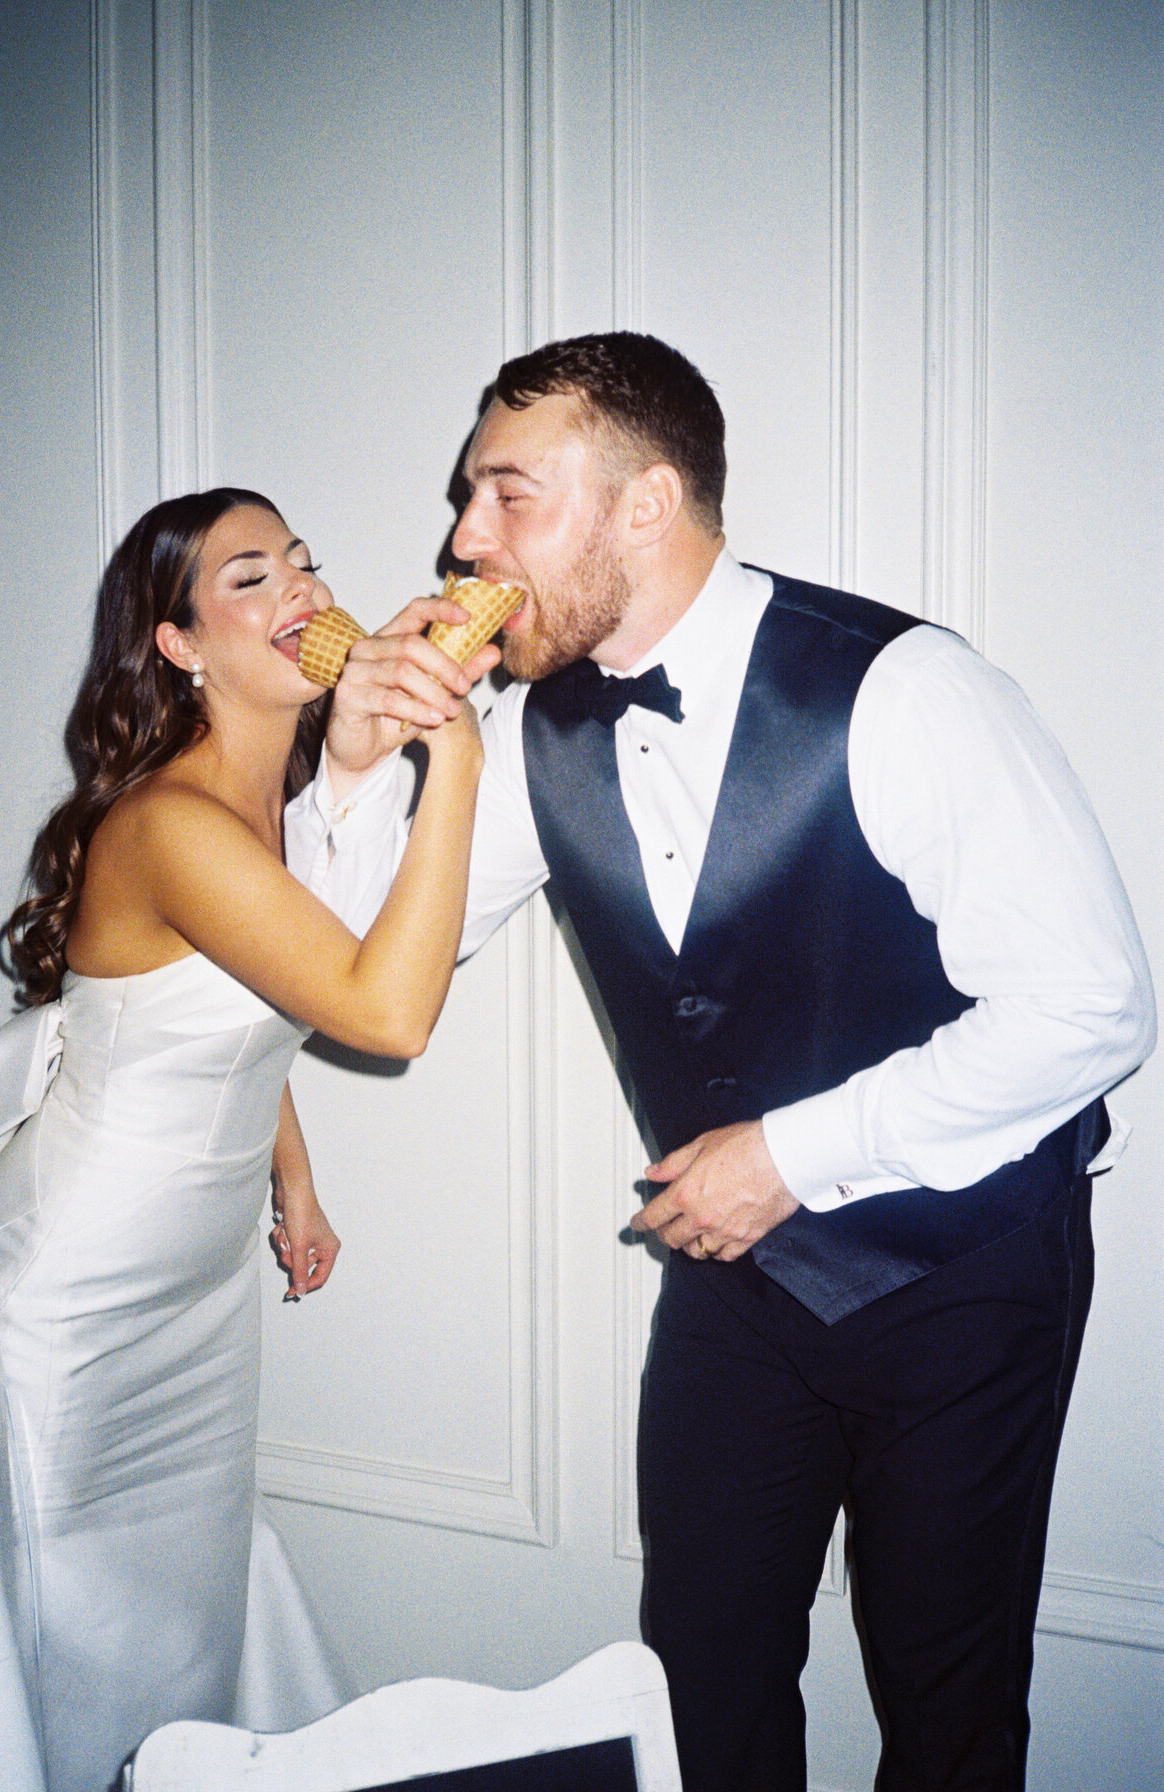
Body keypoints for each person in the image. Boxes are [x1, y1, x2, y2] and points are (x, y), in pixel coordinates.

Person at [285, 333, 1156, 1792]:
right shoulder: (525, 731)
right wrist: (357, 771)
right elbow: (367, 985)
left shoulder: (902, 686)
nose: (460, 539)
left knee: (947, 1697)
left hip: (965, 1271)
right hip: (733, 1286)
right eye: (468, 499)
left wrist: (789, 1157)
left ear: (646, 503)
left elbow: (1091, 1008)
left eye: (508, 495)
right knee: (700, 1671)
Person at [0, 487, 487, 1792]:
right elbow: (384, 1009)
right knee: (66, 1647)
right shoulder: (173, 826)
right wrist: (458, 757)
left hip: (195, 1301)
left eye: (302, 563)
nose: (301, 592)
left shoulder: (273, 809)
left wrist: (292, 1185)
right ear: (180, 643)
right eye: (250, 578)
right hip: (71, 1307)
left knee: (181, 1640)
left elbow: (245, 1017)